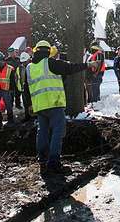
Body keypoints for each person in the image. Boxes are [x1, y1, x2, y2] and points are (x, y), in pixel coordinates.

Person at [26, 40, 99, 174]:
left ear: (36, 50)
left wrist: (29, 104)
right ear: (48, 51)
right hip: (54, 104)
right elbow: (70, 68)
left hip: (39, 106)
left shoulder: (29, 67)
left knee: (42, 132)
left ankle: (42, 159)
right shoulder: (50, 63)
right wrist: (88, 64)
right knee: (57, 133)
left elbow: (27, 88)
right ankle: (54, 162)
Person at [19, 52, 33, 122]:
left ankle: (33, 118)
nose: (24, 63)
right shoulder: (21, 68)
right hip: (23, 88)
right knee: (26, 104)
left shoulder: (32, 66)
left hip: (32, 88)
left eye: (25, 62)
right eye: (23, 62)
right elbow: (19, 77)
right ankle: (27, 117)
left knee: (32, 104)